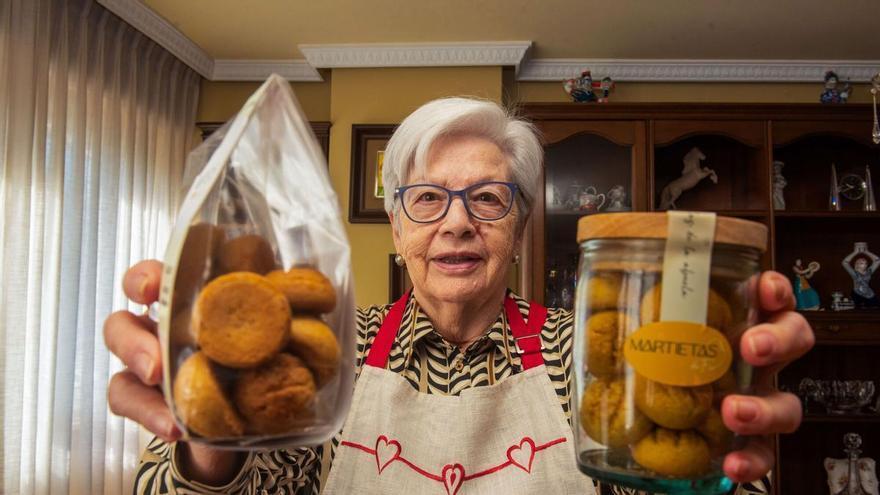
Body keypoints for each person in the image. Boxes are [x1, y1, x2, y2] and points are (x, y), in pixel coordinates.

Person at [104, 97, 814, 494]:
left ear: (520, 224)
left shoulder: (592, 356)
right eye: (427, 198)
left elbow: (681, 479)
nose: (455, 221)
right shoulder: (327, 350)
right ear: (396, 223)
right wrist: (206, 442)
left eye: (486, 197)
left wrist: (722, 442)